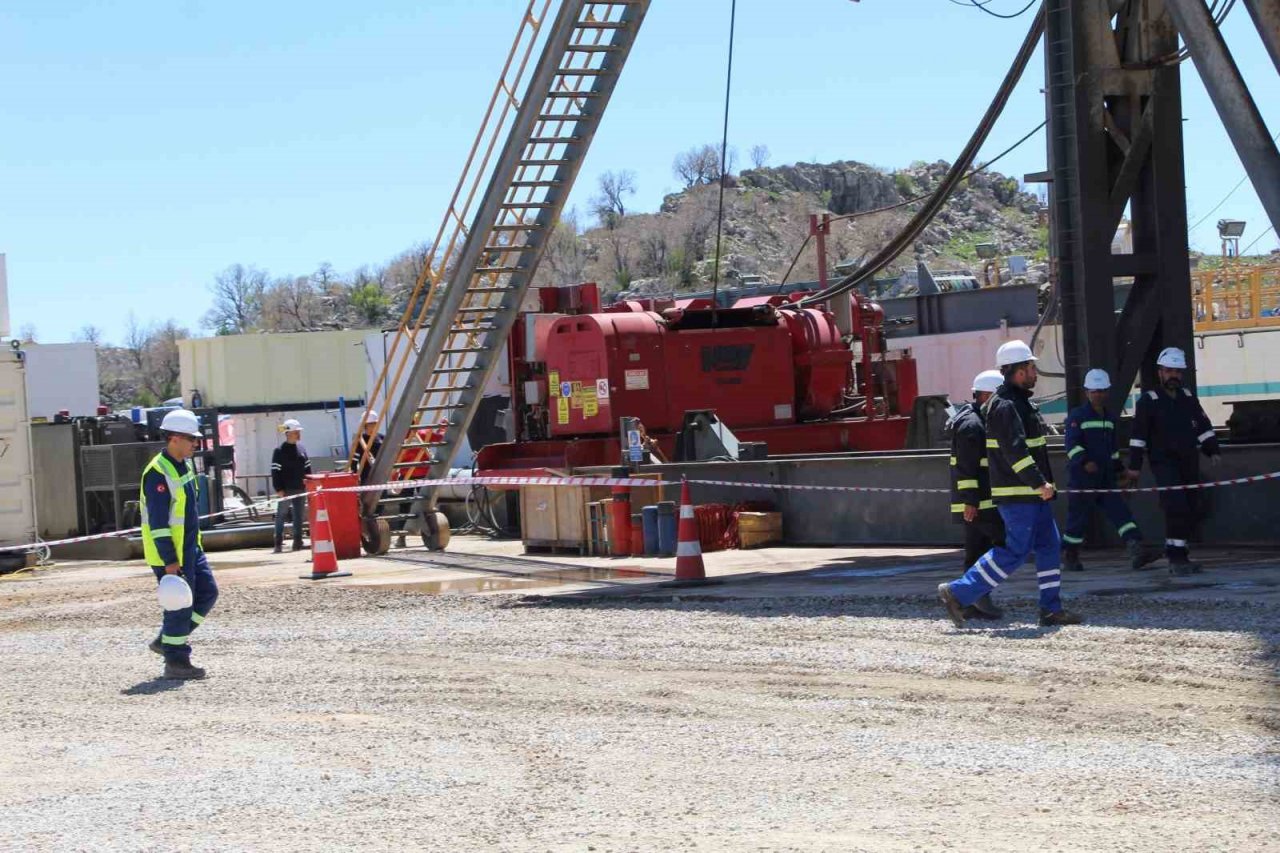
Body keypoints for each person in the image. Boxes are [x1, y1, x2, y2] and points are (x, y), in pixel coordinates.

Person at [938, 340, 1083, 628]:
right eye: (1030, 366)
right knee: (1014, 551)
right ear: (1017, 371)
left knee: (1049, 546)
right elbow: (1015, 451)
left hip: (1032, 496)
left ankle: (1051, 609)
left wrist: (1040, 488)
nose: (1034, 372)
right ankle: (958, 592)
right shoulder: (1004, 406)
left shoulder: (1020, 403)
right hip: (1019, 496)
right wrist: (1039, 484)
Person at [1125, 346, 1221, 575]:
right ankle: (1177, 560)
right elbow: (1138, 438)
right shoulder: (1149, 401)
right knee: (1176, 506)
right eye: (1169, 371)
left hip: (1188, 461)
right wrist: (1134, 468)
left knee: (1188, 507)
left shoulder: (1187, 398)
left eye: (1177, 372)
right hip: (1164, 463)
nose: (1173, 376)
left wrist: (1212, 450)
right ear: (1160, 372)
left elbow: (1203, 426)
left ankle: (1176, 551)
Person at [141, 409, 218, 680]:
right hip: (171, 554)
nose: (195, 444)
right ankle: (177, 661)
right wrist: (170, 561)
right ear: (174, 438)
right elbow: (158, 524)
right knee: (179, 605)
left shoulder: (183, 465)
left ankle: (167, 640)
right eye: (190, 439)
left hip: (190, 549)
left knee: (208, 594)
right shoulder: (157, 473)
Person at [1061, 369, 1158, 572]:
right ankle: (1070, 555)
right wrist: (1084, 461)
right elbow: (1071, 445)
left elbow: (1113, 451)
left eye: (1102, 391)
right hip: (1083, 479)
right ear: (1087, 392)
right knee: (1077, 520)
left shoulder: (1109, 419)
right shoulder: (1077, 416)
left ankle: (1137, 550)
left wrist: (1120, 472)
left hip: (1105, 478)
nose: (1098, 394)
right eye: (1095, 391)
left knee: (1121, 513)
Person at [946, 369, 1006, 621]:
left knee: (976, 551)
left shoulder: (977, 420)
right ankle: (975, 595)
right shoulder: (972, 425)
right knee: (1003, 545)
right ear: (985, 395)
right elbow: (967, 467)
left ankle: (968, 602)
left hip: (978, 501)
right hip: (978, 503)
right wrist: (970, 501)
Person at [270, 418, 311, 553]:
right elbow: (275, 471)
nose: (299, 434)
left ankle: (297, 542)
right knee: (281, 514)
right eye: (296, 432)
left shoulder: (302, 449)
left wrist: (308, 484)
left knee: (299, 516)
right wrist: (279, 489)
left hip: (300, 488)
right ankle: (278, 543)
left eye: (298, 432)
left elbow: (307, 468)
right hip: (285, 489)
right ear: (288, 433)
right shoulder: (279, 451)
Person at [351, 409, 384, 484]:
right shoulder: (360, 440)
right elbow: (354, 460)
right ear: (365, 426)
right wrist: (355, 476)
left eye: (374, 424)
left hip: (381, 475)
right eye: (370, 424)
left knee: (382, 495)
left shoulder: (381, 438)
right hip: (366, 476)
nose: (373, 427)